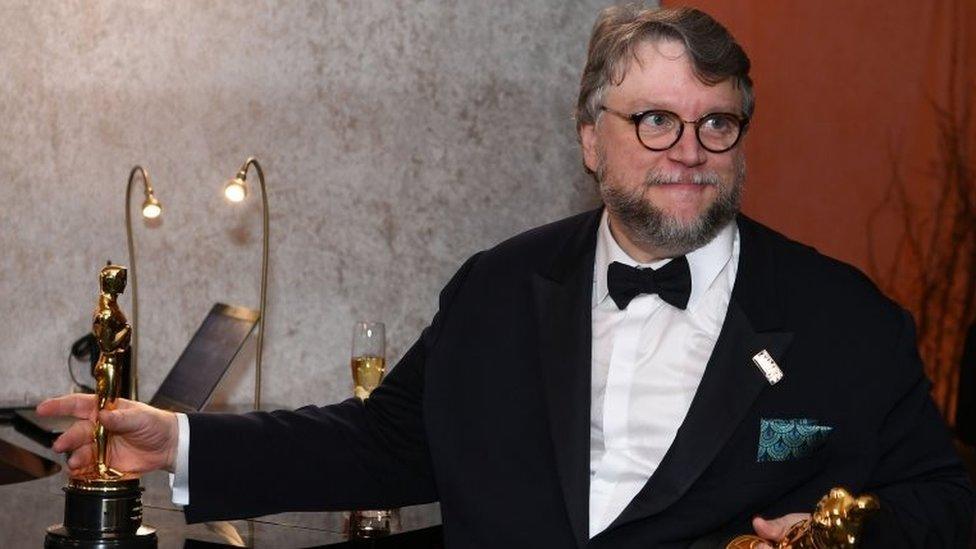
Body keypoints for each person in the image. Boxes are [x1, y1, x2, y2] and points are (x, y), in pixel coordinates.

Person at [39, 5, 973, 548]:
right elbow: (382, 443)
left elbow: (945, 496)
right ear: (588, 140)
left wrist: (840, 533)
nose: (689, 150)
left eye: (715, 123)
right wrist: (179, 442)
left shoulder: (848, 318)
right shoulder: (497, 287)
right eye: (655, 120)